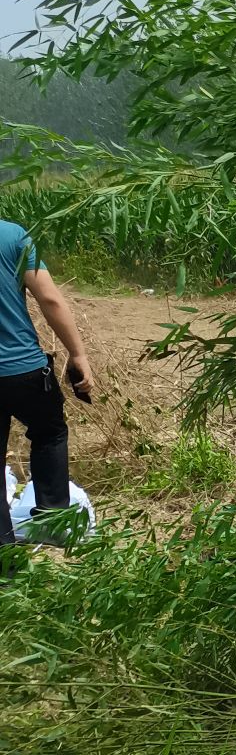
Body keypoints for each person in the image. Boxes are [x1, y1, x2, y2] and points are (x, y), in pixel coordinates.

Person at [0, 219, 96, 562]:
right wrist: (78, 353)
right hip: (24, 368)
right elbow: (50, 300)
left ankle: (4, 561)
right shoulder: (12, 235)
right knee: (50, 433)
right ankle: (55, 525)